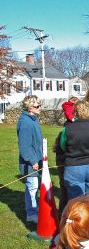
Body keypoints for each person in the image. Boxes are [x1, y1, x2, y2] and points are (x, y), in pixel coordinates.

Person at [17, 95, 43, 223]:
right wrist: (33, 161)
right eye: (37, 106)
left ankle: (35, 209)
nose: (40, 108)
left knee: (34, 186)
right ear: (29, 107)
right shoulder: (25, 122)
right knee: (32, 187)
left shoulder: (33, 119)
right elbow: (24, 147)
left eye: (40, 105)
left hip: (37, 160)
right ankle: (31, 214)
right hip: (30, 163)